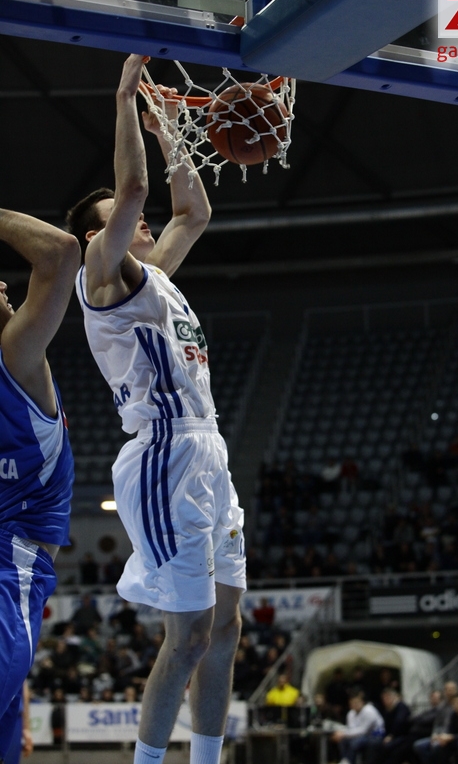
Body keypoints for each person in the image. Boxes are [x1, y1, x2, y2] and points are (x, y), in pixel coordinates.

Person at [66, 53, 245, 764]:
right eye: (125, 219)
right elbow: (135, 188)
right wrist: (122, 101)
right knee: (190, 633)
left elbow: (195, 211)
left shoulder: (156, 278)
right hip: (163, 454)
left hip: (209, 447)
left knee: (226, 627)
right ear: (97, 239)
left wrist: (171, 128)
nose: (142, 221)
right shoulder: (100, 280)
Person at [0, 209, 79, 759]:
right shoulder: (13, 353)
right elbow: (59, 253)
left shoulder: (14, 356)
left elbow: (60, 253)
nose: (5, 286)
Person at [331, 691, 385, 764]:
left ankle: (348, 761)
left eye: (356, 702)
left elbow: (363, 730)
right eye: (352, 703)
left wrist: (344, 734)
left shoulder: (369, 711)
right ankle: (345, 760)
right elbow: (351, 729)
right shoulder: (351, 713)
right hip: (361, 735)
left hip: (375, 735)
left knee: (355, 742)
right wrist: (341, 734)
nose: (354, 705)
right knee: (343, 741)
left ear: (362, 702)